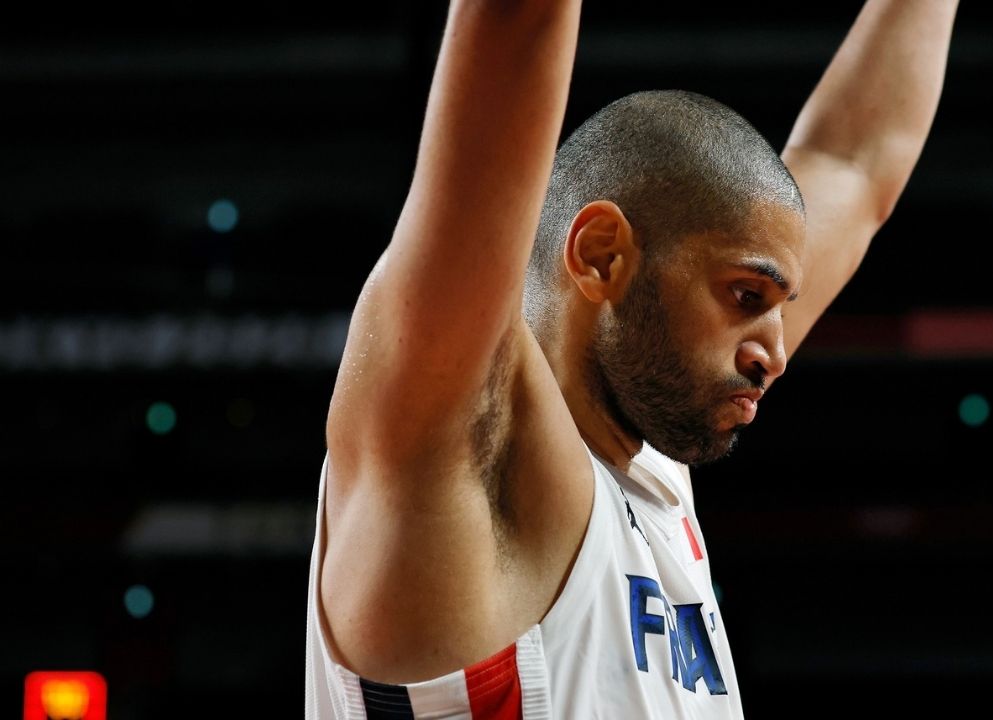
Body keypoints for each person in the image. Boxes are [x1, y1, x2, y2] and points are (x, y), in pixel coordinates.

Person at [305, 1, 958, 717]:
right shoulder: (456, 435)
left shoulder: (648, 465)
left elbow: (855, 165)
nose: (775, 351)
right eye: (745, 295)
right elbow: (516, 20)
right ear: (601, 255)